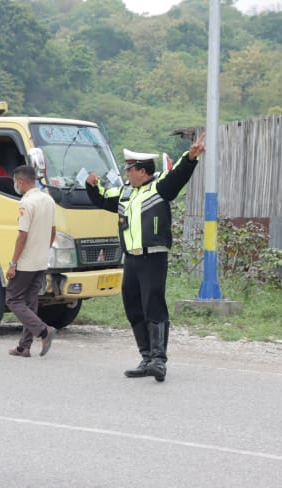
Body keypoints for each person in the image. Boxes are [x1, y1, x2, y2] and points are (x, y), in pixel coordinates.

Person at [85, 133, 206, 381]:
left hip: (153, 258)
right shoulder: (125, 193)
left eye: (130, 169)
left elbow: (178, 176)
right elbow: (101, 198)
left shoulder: (159, 189)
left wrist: (190, 157)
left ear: (142, 170)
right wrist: (91, 184)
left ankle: (159, 361)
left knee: (154, 306)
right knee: (133, 307)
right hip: (131, 259)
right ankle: (146, 358)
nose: (127, 173)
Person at [6, 165, 57, 358]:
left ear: (20, 182)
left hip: (26, 262)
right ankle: (24, 346)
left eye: (15, 182)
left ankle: (44, 331)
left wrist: (13, 264)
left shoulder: (26, 203)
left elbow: (22, 236)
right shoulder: (48, 200)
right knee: (30, 302)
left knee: (13, 299)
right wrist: (44, 250)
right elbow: (53, 231)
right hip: (41, 260)